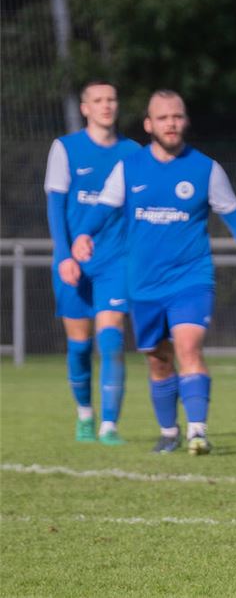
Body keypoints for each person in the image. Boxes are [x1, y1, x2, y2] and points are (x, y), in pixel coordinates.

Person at [71, 90, 236, 455]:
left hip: (190, 279)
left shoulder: (206, 169)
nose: (171, 124)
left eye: (177, 117)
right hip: (144, 284)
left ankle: (198, 431)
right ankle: (168, 431)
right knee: (158, 358)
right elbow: (102, 209)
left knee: (188, 346)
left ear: (185, 121)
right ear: (149, 124)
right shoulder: (129, 168)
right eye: (162, 118)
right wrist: (83, 234)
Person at [44, 81, 141, 445]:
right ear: (85, 107)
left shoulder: (134, 152)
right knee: (80, 344)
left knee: (112, 340)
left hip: (115, 261)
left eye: (111, 99)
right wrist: (64, 255)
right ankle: (85, 414)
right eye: (98, 100)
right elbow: (55, 207)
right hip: (74, 263)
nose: (106, 106)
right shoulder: (65, 148)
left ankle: (110, 426)